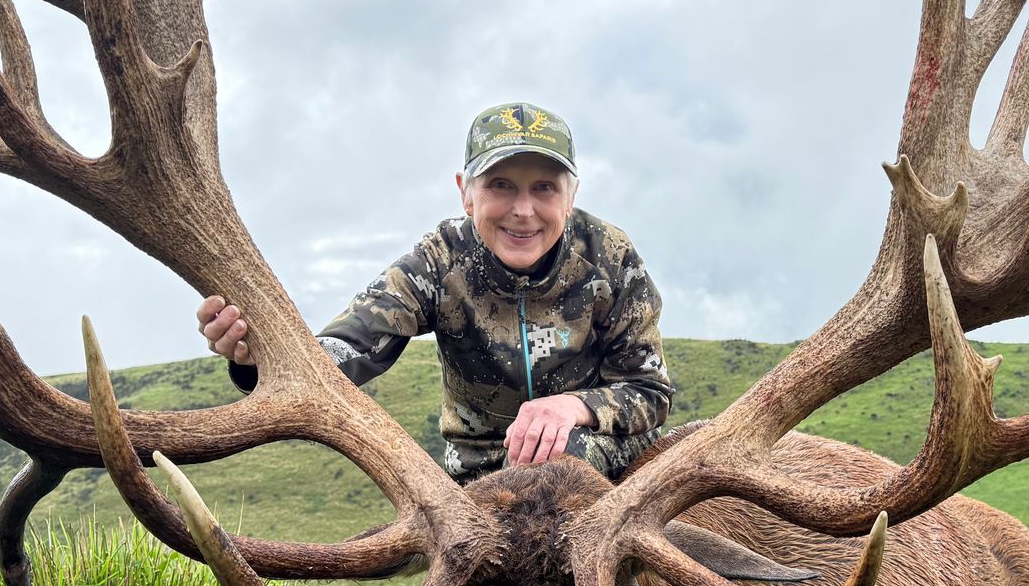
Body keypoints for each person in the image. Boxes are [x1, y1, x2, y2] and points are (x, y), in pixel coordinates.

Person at [197, 103, 675, 482]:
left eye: (545, 187)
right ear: (465, 192)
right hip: (479, 473)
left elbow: (650, 393)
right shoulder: (440, 260)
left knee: (555, 463)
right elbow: (354, 343)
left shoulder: (609, 257)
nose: (523, 210)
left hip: (601, 452)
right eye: (501, 185)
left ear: (571, 196)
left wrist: (575, 408)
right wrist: (256, 357)